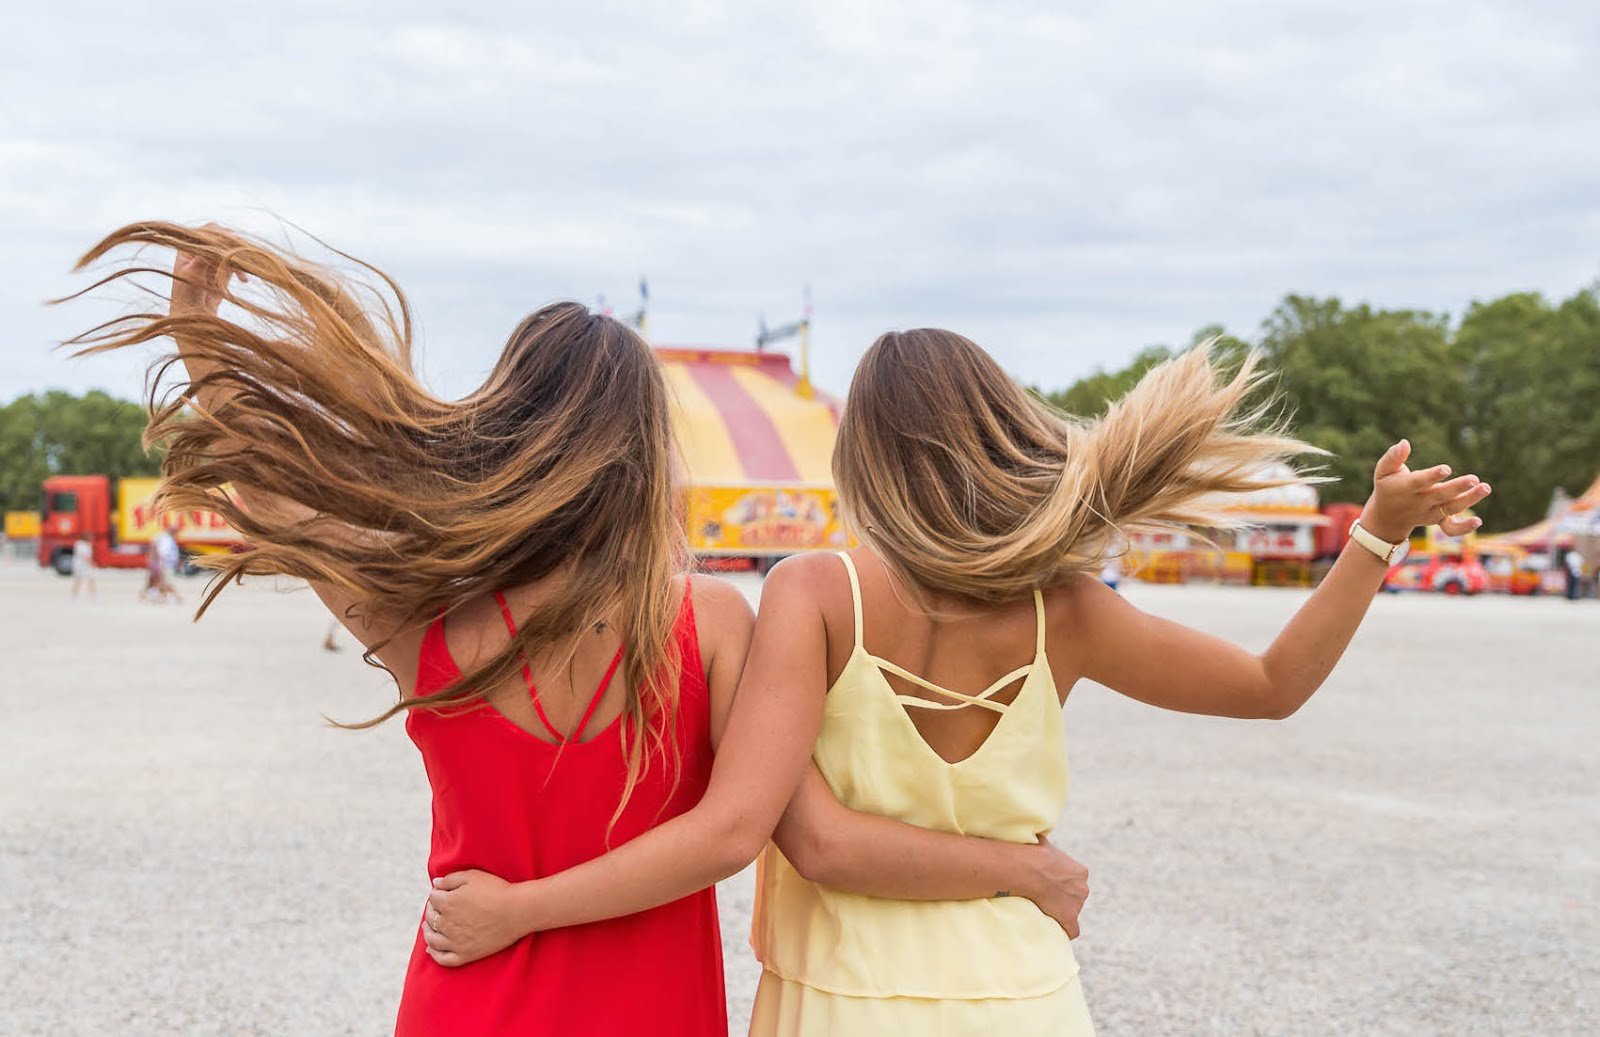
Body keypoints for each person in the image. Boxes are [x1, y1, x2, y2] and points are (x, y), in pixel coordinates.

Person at [65, 223, 1088, 1036]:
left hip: (467, 994)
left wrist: (200, 335)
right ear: (648, 453)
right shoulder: (718, 622)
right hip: (653, 1012)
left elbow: (265, 491)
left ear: (500, 433)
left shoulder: (423, 621)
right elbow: (737, 833)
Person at [425, 330, 1489, 1036]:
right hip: (1021, 992)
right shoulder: (1063, 607)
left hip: (836, 996)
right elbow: (1270, 682)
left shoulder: (815, 590)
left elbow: (813, 838)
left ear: (867, 459)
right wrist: (1375, 538)